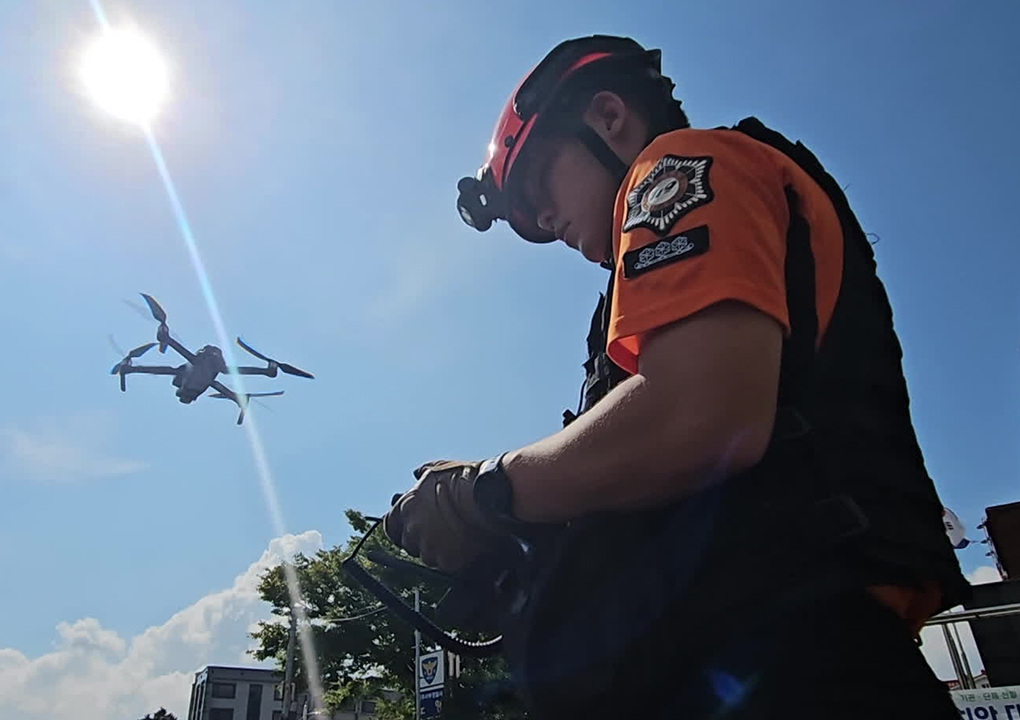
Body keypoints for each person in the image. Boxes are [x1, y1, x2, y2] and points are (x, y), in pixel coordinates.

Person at [382, 34, 971, 718]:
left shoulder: (681, 167)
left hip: (791, 662)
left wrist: (487, 490)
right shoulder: (652, 270)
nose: (543, 218)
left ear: (608, 117)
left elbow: (699, 417)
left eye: (541, 178)